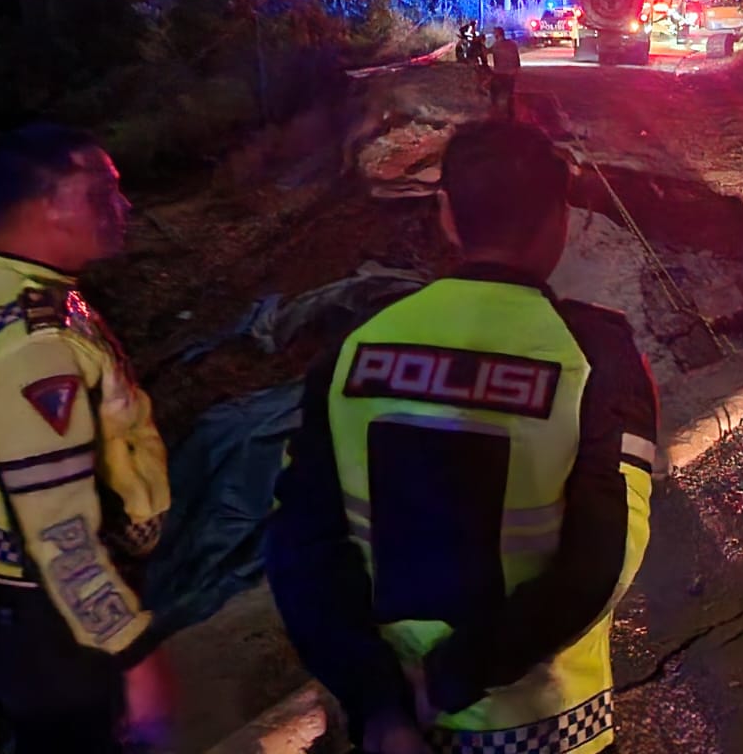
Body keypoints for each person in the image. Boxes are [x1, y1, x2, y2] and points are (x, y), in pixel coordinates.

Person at [266, 118, 658, 754]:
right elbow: (602, 562)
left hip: (404, 731)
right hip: (556, 730)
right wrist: (452, 678)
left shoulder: (350, 355)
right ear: (561, 221)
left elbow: (301, 552)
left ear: (446, 214)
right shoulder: (594, 357)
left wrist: (382, 706)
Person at [0, 124, 175, 753]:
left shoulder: (20, 291)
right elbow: (58, 530)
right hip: (55, 623)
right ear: (48, 203)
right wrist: (130, 651)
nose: (123, 207)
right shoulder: (37, 342)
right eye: (102, 192)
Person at [486, 26, 521, 118]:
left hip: (499, 73)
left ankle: (495, 112)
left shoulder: (496, 45)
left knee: (494, 91)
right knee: (509, 93)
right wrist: (516, 70)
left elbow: (486, 52)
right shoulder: (512, 44)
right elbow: (517, 60)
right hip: (510, 73)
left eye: (494, 33)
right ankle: (510, 114)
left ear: (497, 34)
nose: (494, 35)